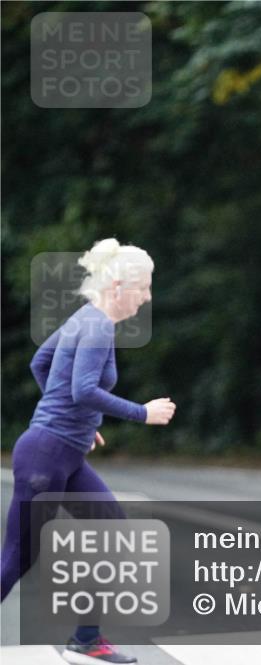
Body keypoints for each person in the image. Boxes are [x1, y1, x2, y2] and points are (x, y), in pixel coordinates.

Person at [1, 238, 177, 665]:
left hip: (60, 451)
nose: (147, 297)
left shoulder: (84, 319)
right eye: (145, 287)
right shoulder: (96, 325)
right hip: (45, 457)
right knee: (18, 557)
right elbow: (82, 389)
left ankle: (86, 638)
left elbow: (40, 364)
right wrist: (142, 412)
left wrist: (78, 424)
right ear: (119, 286)